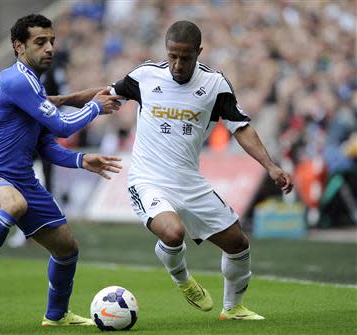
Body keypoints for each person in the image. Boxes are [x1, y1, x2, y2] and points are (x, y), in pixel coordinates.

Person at [110, 21, 293, 320]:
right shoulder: (145, 76)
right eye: (173, 56)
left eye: (186, 57)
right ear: (166, 51)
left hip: (189, 182)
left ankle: (233, 308)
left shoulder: (214, 84)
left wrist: (270, 165)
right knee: (172, 233)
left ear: (199, 52)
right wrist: (61, 102)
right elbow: (107, 93)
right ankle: (184, 280)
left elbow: (241, 128)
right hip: (148, 179)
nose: (178, 64)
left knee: (238, 243)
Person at [0, 14, 122, 327]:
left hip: (23, 183)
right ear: (19, 47)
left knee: (67, 248)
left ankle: (56, 315)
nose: (50, 48)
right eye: (40, 42)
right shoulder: (17, 79)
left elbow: (47, 145)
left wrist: (82, 160)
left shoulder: (34, 88)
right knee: (13, 203)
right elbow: (61, 124)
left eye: (52, 41)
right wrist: (95, 106)